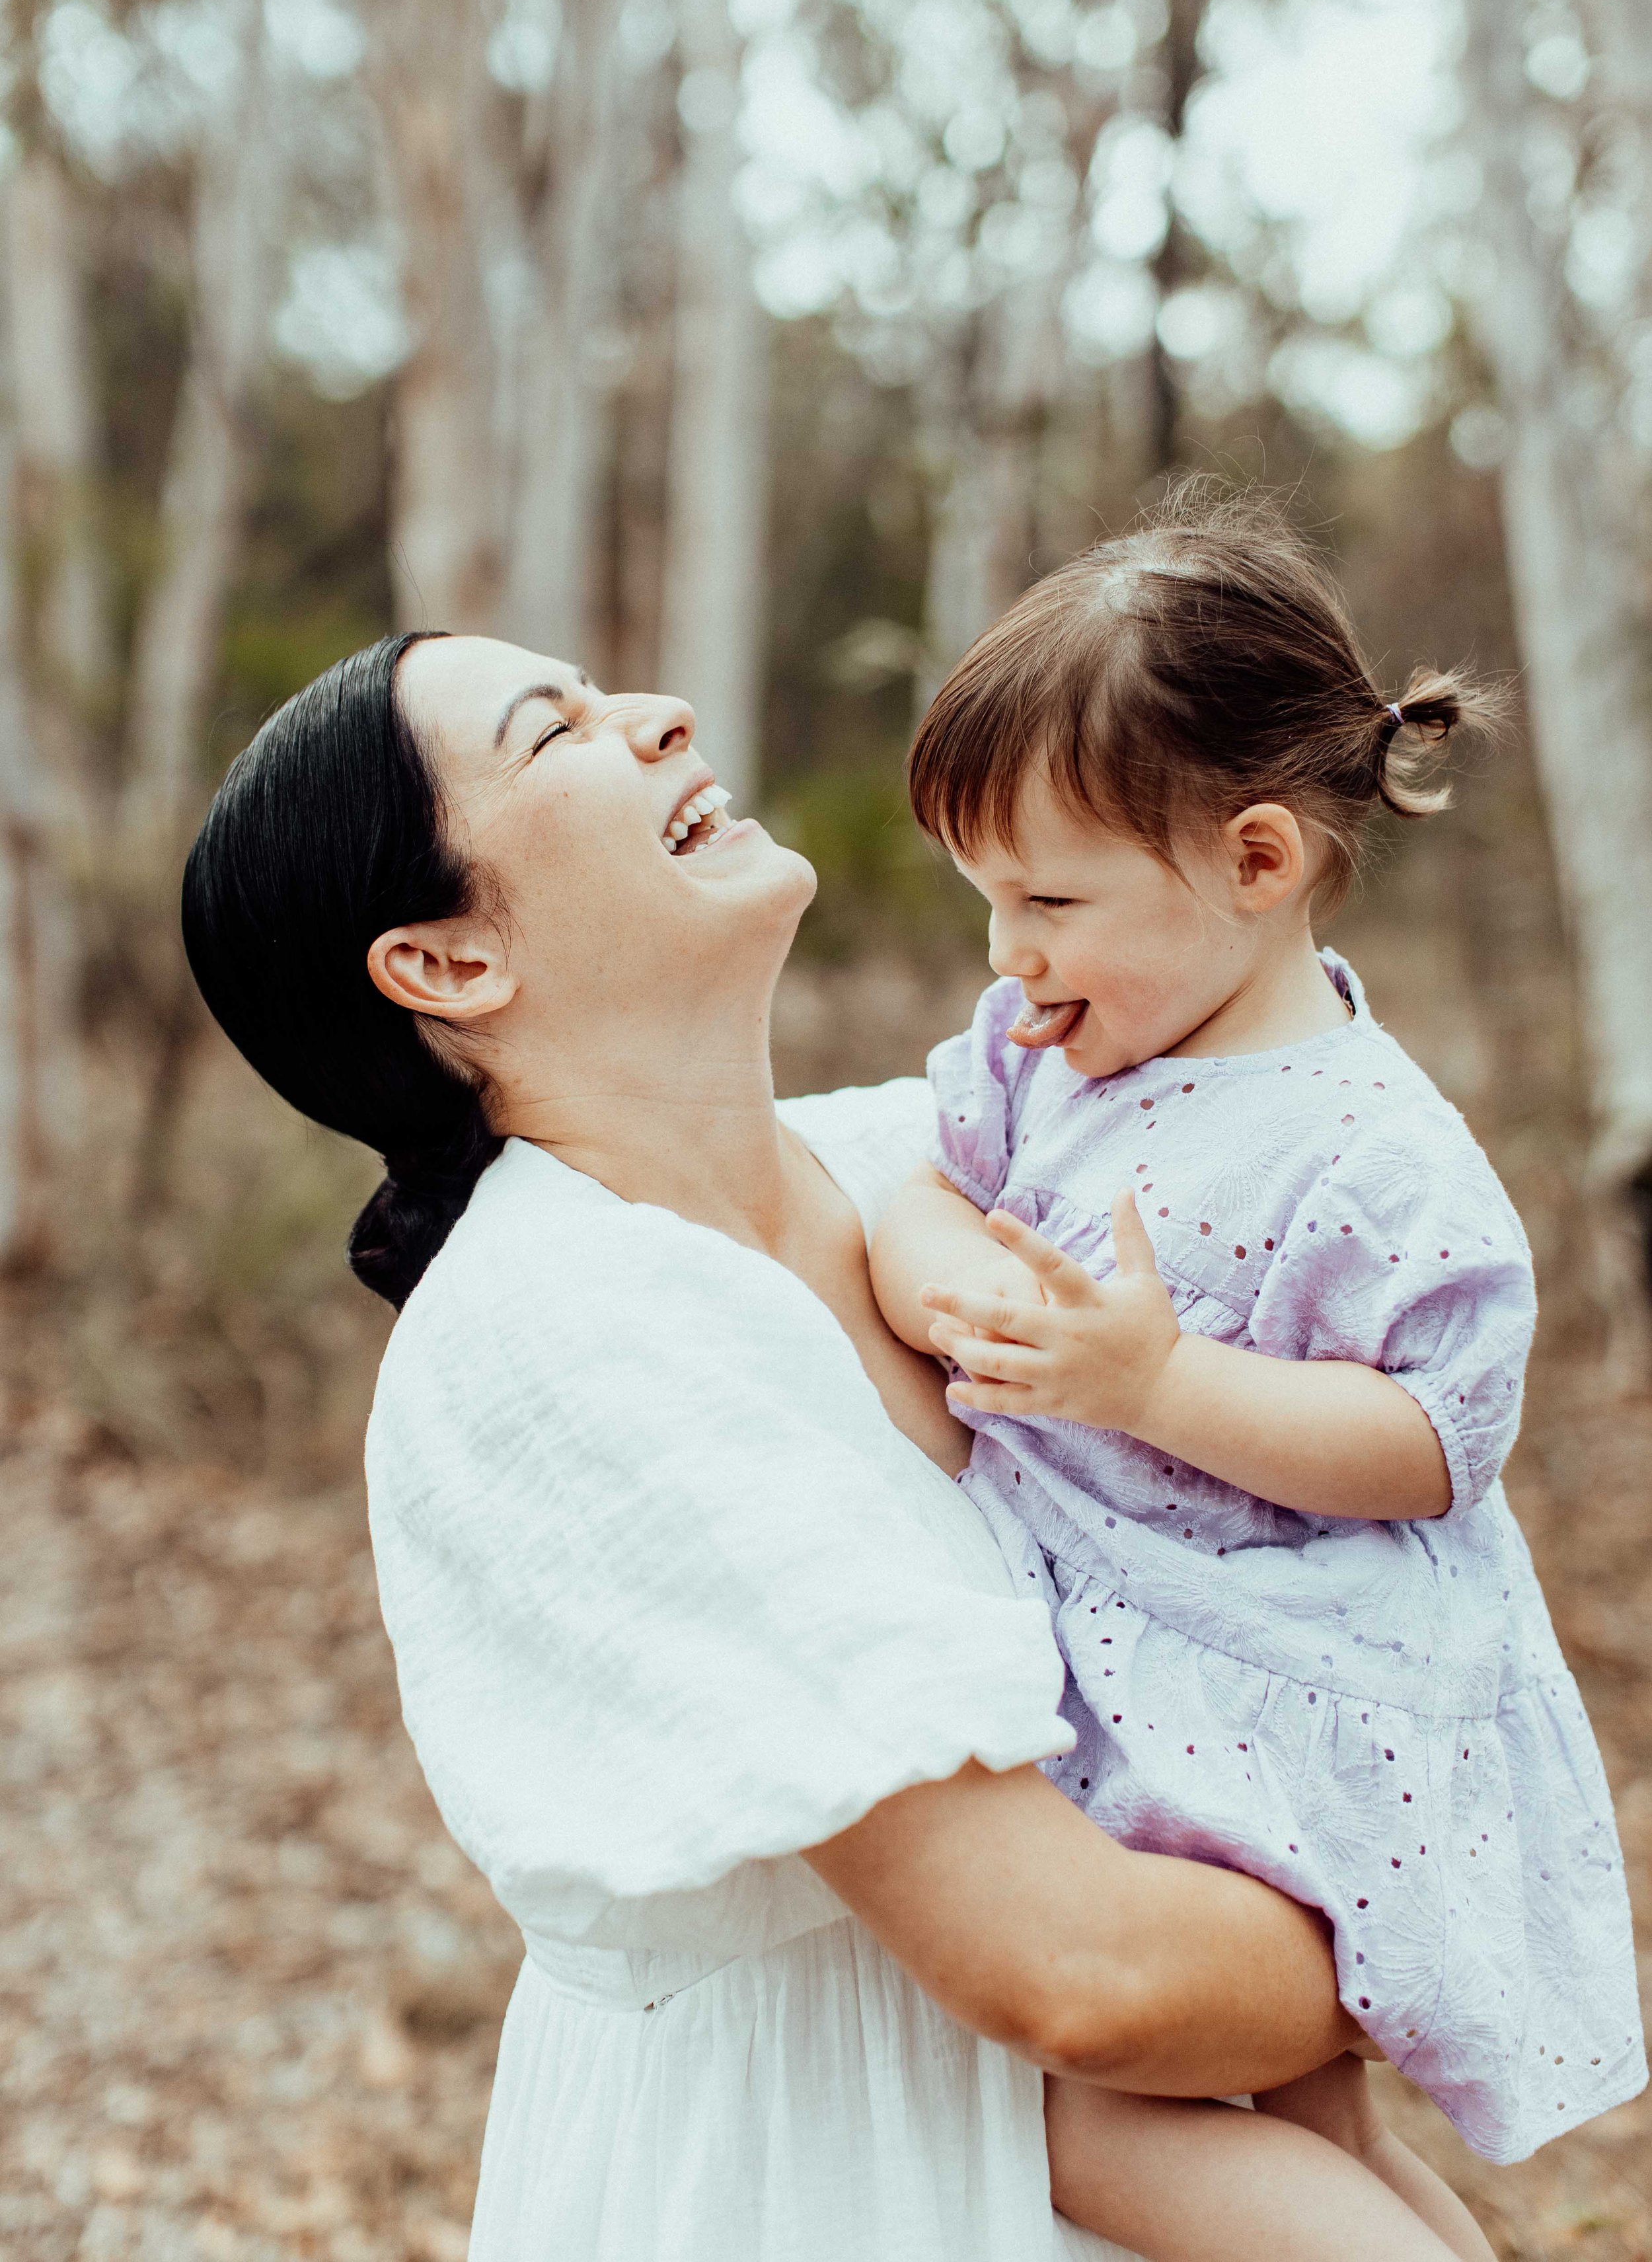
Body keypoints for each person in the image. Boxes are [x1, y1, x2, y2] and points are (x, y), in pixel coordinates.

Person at [179, 631, 1493, 2262]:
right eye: (555, 730)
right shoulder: (558, 1330)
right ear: (448, 966)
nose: (656, 713)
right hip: (819, 2179)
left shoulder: (919, 1156)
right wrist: (1451, 1927)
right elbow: (1079, 1976)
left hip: (1151, 2150)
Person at [870, 492, 1647, 2262]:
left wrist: (1153, 1384)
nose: (1009, 955)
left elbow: (1428, 1441)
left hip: (1305, 1697)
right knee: (1298, 2120)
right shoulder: (1047, 1052)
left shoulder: (1373, 1151)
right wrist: (962, 1297)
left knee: (1089, 2125)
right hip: (1155, 1664)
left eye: (1048, 899)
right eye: (986, 898)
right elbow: (920, 1186)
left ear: (1255, 862)